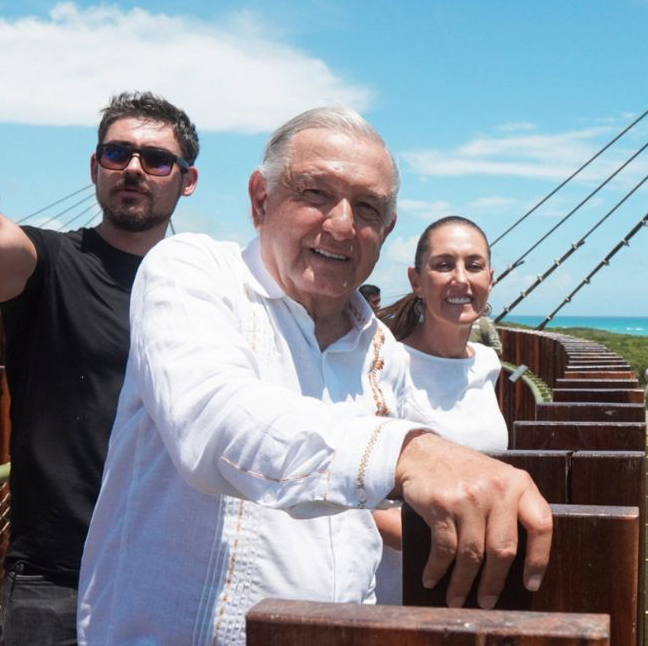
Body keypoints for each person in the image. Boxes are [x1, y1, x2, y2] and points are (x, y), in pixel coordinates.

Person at [77, 107, 551, 644]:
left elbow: (364, 522)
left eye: (367, 207)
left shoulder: (381, 353)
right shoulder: (190, 273)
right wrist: (410, 452)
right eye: (315, 193)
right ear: (261, 200)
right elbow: (216, 423)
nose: (343, 224)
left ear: (386, 231)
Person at [0, 81, 199, 645]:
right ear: (94, 167)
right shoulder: (50, 265)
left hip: (172, 579)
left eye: (155, 160)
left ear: (187, 179)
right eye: (116, 153)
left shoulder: (209, 294)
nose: (133, 168)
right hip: (56, 585)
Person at [373, 216, 508, 604]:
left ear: (491, 278)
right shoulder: (386, 365)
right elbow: (363, 507)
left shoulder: (487, 363)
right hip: (406, 591)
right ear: (417, 280)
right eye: (444, 264)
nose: (461, 279)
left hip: (476, 588)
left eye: (474, 265)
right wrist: (462, 540)